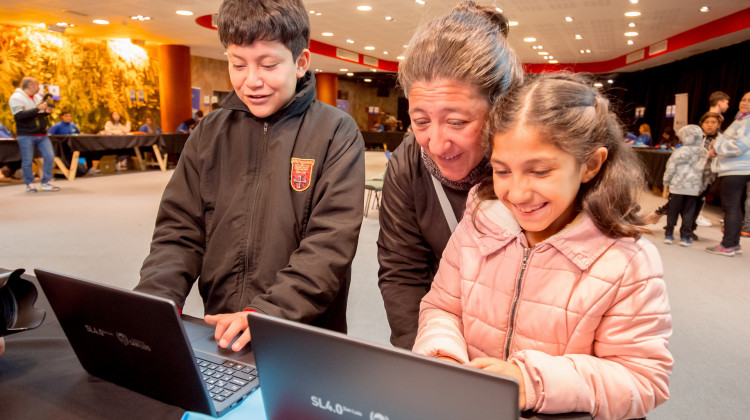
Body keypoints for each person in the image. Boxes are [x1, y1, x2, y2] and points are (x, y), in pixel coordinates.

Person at [413, 73, 672, 419]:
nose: (517, 194)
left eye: (539, 172)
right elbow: (442, 307)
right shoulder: (479, 219)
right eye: (502, 171)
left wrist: (531, 381)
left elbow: (641, 380)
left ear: (590, 165)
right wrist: (443, 354)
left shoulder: (627, 261)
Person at [135, 0, 364, 352]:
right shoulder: (210, 132)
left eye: (268, 64)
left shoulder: (335, 132)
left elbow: (329, 245)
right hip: (226, 328)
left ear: (301, 62)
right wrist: (155, 299)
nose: (251, 81)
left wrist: (265, 313)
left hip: (303, 332)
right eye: (238, 64)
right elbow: (178, 231)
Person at [378, 1, 523, 349]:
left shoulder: (533, 164)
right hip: (439, 333)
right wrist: (426, 361)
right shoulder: (408, 163)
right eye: (421, 121)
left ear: (499, 109)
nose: (438, 144)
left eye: (457, 122)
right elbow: (402, 272)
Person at [705, 91, 750, 256]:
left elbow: (739, 146)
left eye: (749, 100)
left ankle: (727, 245)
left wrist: (717, 146)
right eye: (743, 99)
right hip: (738, 168)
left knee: (730, 207)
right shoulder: (742, 119)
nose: (744, 103)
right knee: (735, 207)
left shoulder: (748, 121)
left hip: (736, 169)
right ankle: (734, 243)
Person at [8, 76, 60, 192]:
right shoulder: (16, 98)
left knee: (49, 156)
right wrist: (37, 109)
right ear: (30, 86)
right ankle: (29, 184)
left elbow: (38, 114)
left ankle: (46, 182)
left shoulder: (37, 97)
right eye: (37, 85)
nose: (39, 88)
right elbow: (19, 116)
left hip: (41, 134)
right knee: (27, 160)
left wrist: (46, 112)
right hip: (26, 135)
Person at [662, 125, 708, 246]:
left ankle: (669, 234)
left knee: (673, 211)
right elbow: (706, 172)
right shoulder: (704, 153)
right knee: (689, 212)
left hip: (677, 187)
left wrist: (666, 182)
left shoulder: (679, 152)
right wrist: (703, 186)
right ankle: (685, 237)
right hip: (693, 188)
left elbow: (670, 168)